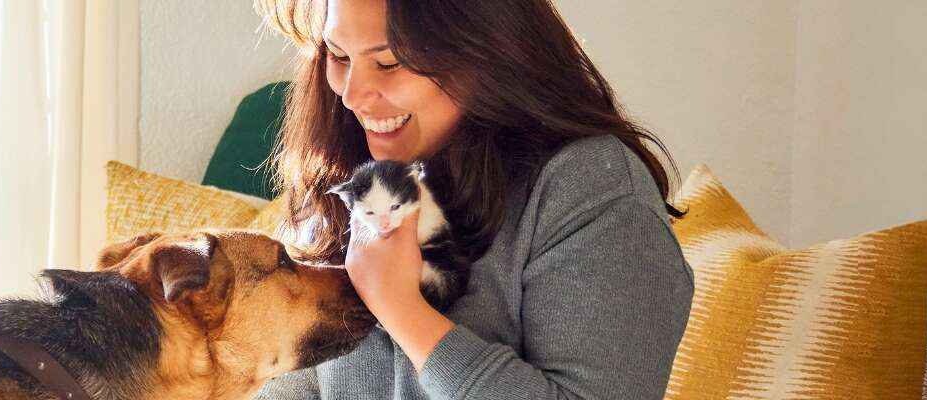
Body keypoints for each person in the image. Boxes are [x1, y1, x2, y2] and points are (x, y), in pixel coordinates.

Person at [252, 0, 695, 398]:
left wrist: (400, 308)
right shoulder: (347, 179)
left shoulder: (590, 188)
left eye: (388, 62)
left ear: (487, 52)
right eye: (340, 56)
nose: (351, 95)